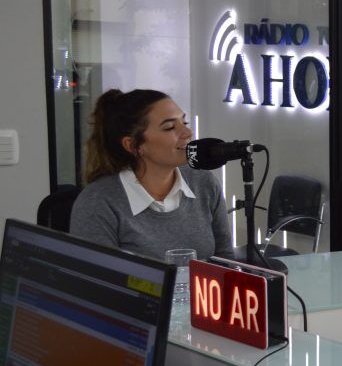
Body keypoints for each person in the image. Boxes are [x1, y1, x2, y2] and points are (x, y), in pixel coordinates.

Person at [70, 89, 232, 261]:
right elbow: (100, 282)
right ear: (132, 145)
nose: (187, 133)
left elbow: (225, 260)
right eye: (169, 127)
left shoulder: (203, 183)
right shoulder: (98, 202)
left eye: (184, 122)